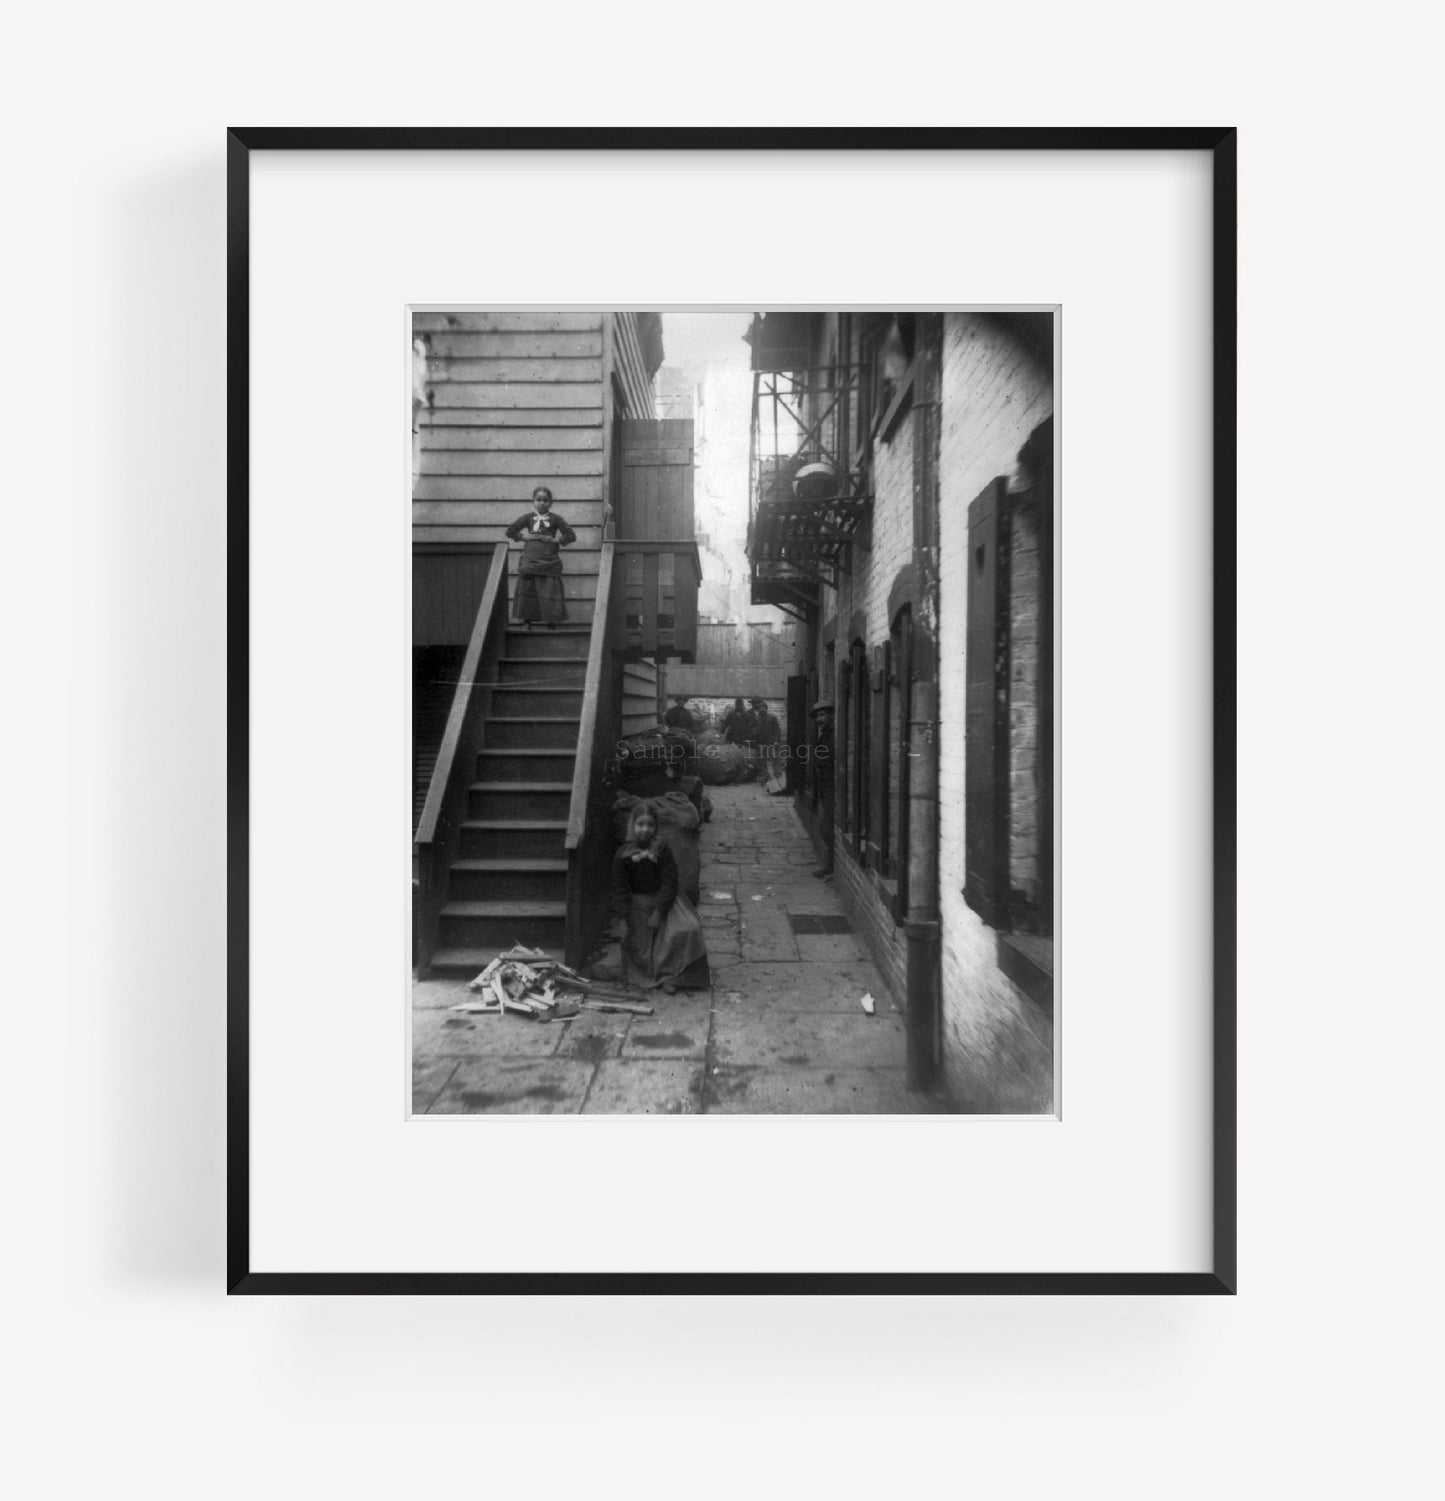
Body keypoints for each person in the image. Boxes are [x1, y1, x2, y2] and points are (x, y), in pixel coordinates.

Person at [609, 802, 709, 993]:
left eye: (650, 825)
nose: (645, 830)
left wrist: (659, 912)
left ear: (656, 827)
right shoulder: (623, 855)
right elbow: (619, 888)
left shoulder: (662, 850)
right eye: (640, 824)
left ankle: (674, 977)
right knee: (642, 946)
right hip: (636, 905)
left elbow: (670, 882)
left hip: (664, 901)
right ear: (633, 826)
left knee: (687, 930)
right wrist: (622, 917)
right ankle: (653, 974)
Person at [504, 485, 576, 626]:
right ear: (533, 501)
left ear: (551, 502)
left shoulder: (556, 519)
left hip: (548, 560)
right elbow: (511, 531)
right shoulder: (528, 518)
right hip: (531, 559)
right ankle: (527, 621)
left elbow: (571, 535)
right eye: (538, 499)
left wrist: (555, 540)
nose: (542, 503)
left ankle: (551, 621)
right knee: (528, 589)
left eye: (545, 500)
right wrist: (526, 538)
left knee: (549, 590)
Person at [809, 699, 835, 876]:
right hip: (824, 787)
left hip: (833, 786)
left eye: (823, 715)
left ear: (831, 715)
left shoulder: (833, 735)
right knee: (826, 828)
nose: (820, 719)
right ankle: (830, 864)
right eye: (817, 716)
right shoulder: (824, 734)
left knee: (825, 829)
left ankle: (830, 865)